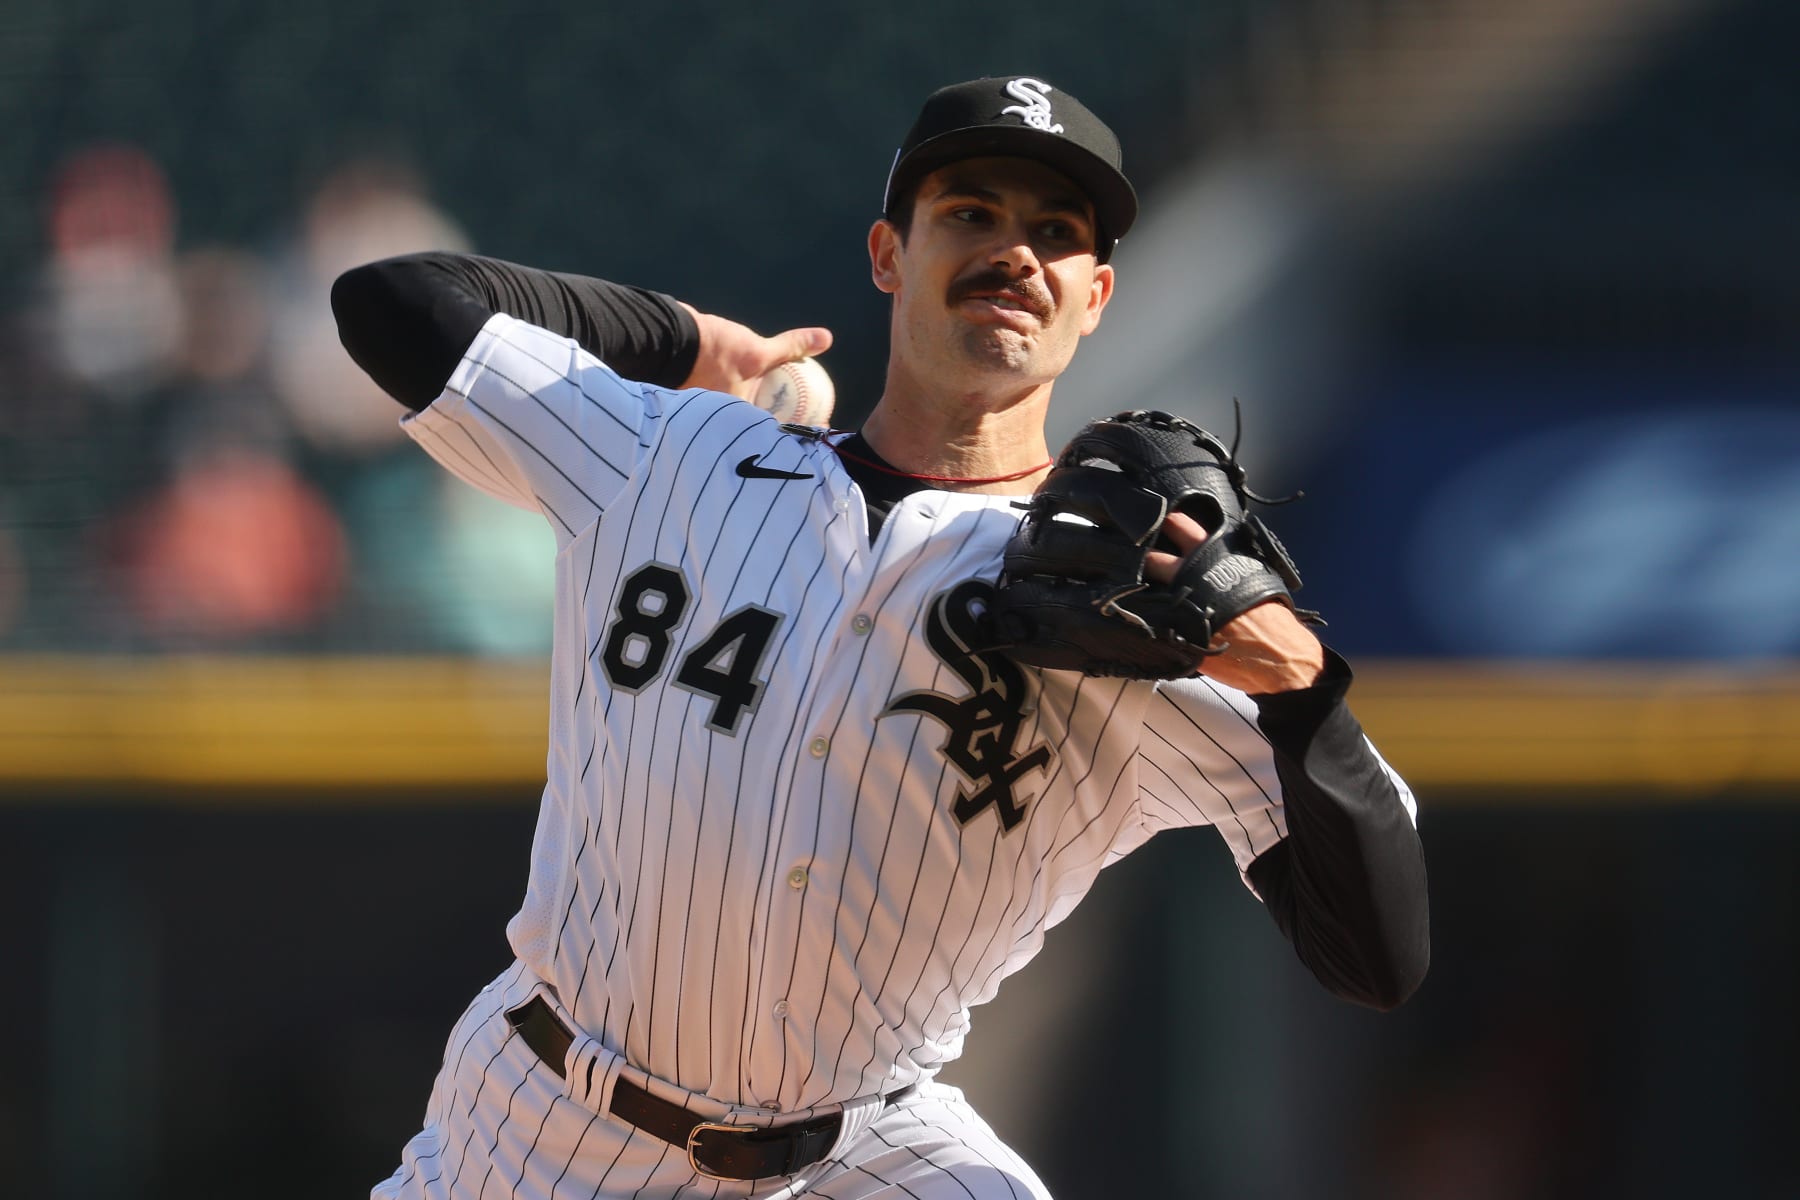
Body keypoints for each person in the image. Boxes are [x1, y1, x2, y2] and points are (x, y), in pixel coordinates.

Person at [332, 74, 1428, 1200]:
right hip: (541, 1132)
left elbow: (1378, 956)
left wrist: (1303, 691)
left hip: (857, 1156)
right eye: (971, 214)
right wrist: (685, 338)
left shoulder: (1129, 611)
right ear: (887, 255)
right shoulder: (669, 453)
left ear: (1094, 297)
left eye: (1056, 234)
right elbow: (398, 302)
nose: (1016, 253)